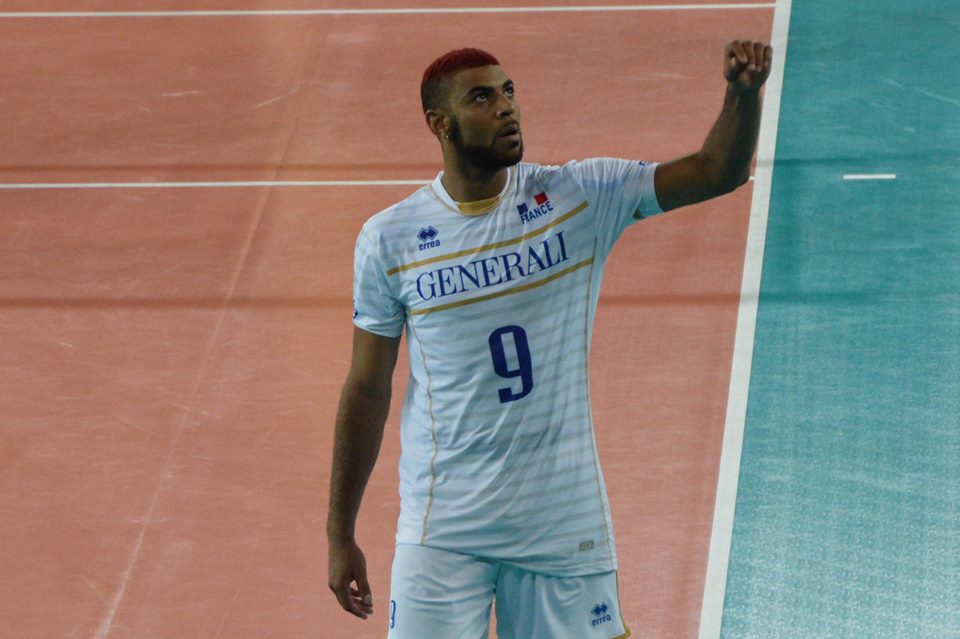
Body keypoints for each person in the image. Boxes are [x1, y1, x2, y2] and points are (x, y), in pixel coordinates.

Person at [327, 41, 773, 638]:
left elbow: (718, 170)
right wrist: (340, 533)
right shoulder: (390, 239)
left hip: (562, 524)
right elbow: (367, 387)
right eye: (481, 98)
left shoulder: (578, 197)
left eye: (508, 91)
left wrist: (743, 94)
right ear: (440, 124)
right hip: (444, 527)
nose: (505, 107)